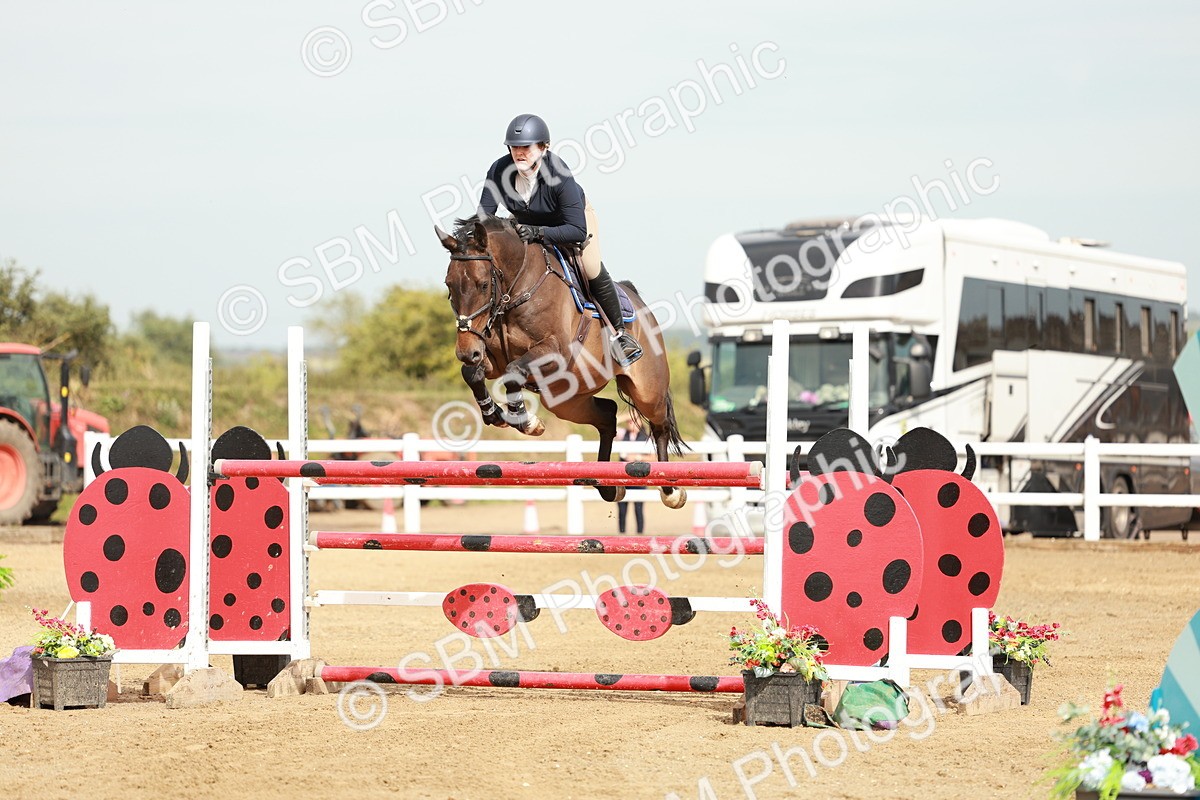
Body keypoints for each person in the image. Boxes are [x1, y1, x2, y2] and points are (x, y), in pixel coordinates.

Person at [477, 113, 642, 366]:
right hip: (527, 224)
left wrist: (538, 233)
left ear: (543, 148)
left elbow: (576, 229)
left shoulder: (558, 173)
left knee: (590, 267)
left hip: (572, 221)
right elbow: (484, 220)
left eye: (526, 147)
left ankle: (620, 335)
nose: (519, 153)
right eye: (514, 147)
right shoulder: (499, 170)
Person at [615, 414, 648, 534]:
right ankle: (622, 533)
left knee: (638, 508)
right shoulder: (623, 434)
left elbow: (654, 457)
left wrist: (637, 457)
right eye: (629, 421)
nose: (630, 422)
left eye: (634, 420)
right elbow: (612, 423)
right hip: (623, 478)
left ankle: (640, 534)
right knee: (621, 509)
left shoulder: (646, 437)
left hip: (639, 478)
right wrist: (627, 415)